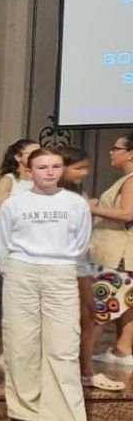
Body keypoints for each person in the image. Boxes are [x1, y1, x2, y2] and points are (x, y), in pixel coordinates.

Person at [0, 148, 93, 421]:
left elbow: (81, 242)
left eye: (55, 166)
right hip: (21, 270)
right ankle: (30, 409)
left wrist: (59, 262)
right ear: (29, 169)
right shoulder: (15, 203)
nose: (49, 172)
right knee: (22, 343)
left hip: (60, 271)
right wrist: (12, 272)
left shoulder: (75, 203)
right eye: (42, 167)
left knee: (63, 346)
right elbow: (3, 240)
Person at [58, 147, 124, 392]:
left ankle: (86, 370)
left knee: (90, 315)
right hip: (63, 265)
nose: (84, 173)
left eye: (86, 167)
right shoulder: (55, 196)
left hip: (82, 262)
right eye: (78, 168)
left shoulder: (77, 194)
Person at [88, 133, 133, 367]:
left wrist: (91, 208)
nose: (111, 152)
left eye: (116, 148)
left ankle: (82, 359)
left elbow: (128, 214)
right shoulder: (125, 179)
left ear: (130, 153)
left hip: (120, 253)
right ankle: (123, 350)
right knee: (125, 303)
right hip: (120, 251)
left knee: (102, 307)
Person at [0, 138, 38, 217]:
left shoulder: (41, 179)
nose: (37, 157)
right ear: (18, 157)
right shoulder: (9, 180)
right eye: (33, 154)